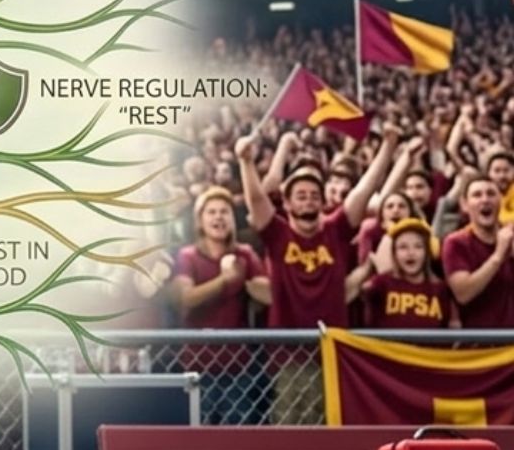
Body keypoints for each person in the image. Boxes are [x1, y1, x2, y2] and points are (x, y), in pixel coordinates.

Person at [238, 126, 396, 426]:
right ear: (287, 204)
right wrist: (245, 162)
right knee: (291, 426)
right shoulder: (278, 233)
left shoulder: (335, 230)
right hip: (289, 357)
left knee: (332, 424)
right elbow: (257, 201)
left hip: (333, 352)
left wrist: (388, 147)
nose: (308, 201)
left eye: (314, 195)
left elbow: (363, 190)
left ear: (322, 201)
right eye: (301, 196)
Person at [170, 187, 270, 423]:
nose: (218, 217)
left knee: (237, 434)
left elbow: (268, 294)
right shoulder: (187, 256)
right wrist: (224, 280)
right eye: (211, 212)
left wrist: (251, 282)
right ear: (200, 221)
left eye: (224, 212)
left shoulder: (244, 254)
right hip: (197, 365)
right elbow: (186, 298)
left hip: (238, 366)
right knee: (198, 432)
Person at [442, 177, 514, 328]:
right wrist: (498, 256)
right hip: (479, 345)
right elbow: (463, 294)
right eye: (477, 195)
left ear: (500, 200)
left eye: (491, 194)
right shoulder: (455, 243)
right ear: (464, 205)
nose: (485, 200)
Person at [366, 219, 457, 329]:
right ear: (394, 253)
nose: (411, 253)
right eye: (403, 247)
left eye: (418, 246)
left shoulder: (441, 288)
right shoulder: (380, 284)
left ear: (427, 252)